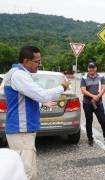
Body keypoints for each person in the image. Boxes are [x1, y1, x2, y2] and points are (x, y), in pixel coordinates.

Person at [4, 46, 70, 180]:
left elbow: (27, 98)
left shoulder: (19, 73)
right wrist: (62, 87)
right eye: (37, 61)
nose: (39, 65)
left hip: (22, 130)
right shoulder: (19, 74)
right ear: (26, 61)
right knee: (26, 173)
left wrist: (40, 102)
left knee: (27, 170)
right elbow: (41, 94)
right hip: (21, 130)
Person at [80, 62, 105, 147]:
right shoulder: (84, 78)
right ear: (88, 69)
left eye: (93, 67)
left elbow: (104, 88)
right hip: (87, 103)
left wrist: (98, 96)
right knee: (89, 121)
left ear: (96, 68)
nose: (91, 69)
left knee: (103, 121)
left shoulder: (101, 77)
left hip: (98, 103)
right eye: (90, 67)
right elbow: (83, 90)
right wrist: (93, 96)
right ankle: (90, 139)